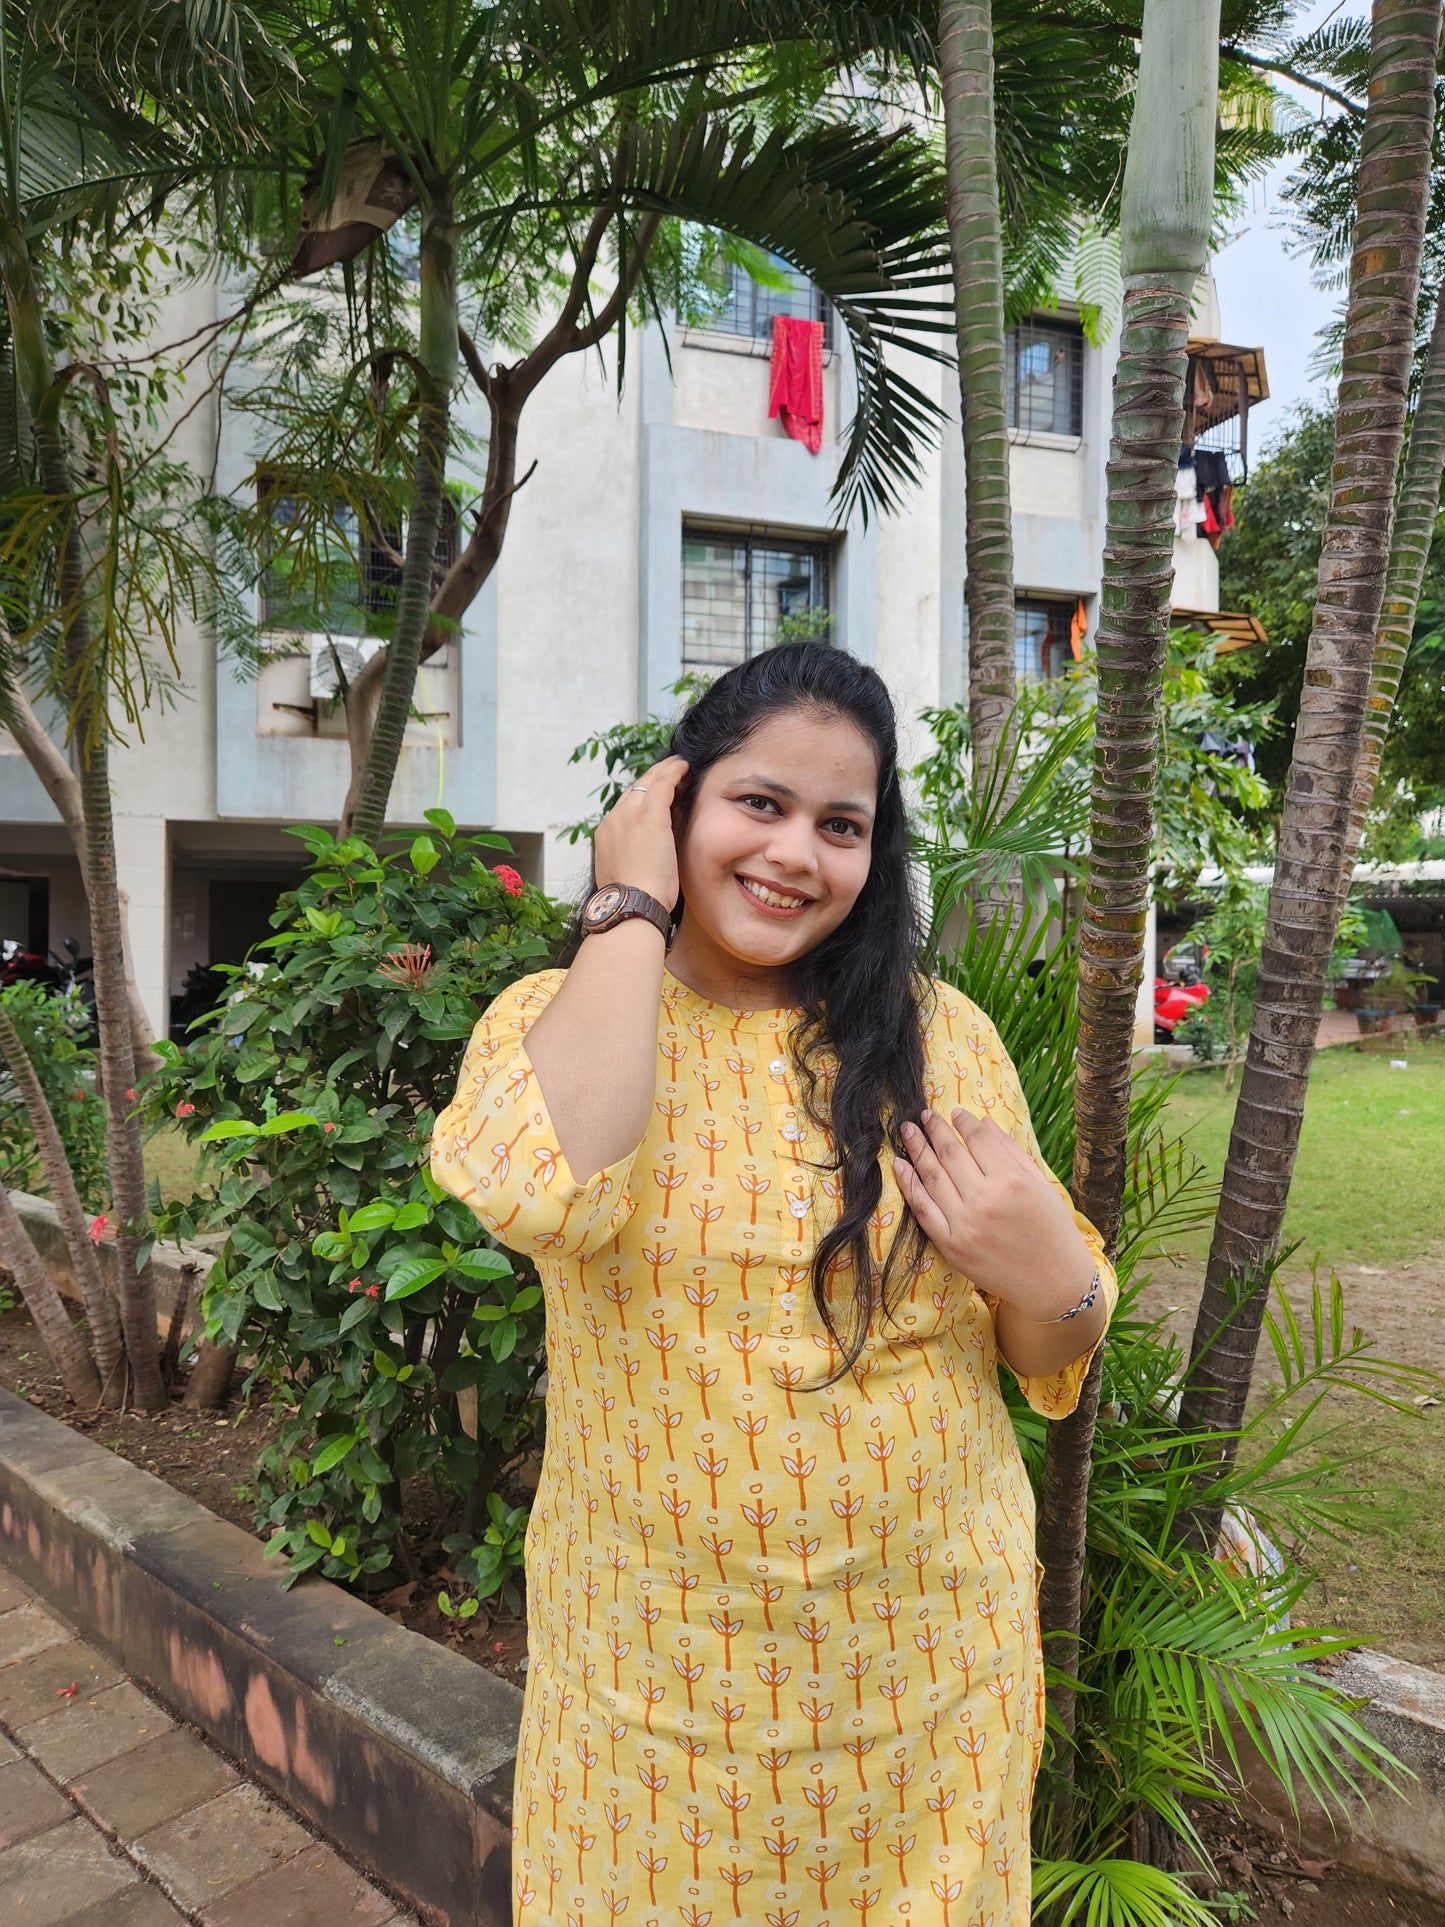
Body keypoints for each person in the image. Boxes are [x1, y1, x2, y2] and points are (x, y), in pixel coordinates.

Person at [431, 643, 1114, 1927]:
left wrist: (1058, 1273)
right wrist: (628, 907)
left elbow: (1045, 1354)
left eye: (841, 825)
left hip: (924, 1683)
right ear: (672, 802)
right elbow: (539, 1191)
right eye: (760, 803)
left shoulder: (937, 1038)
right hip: (659, 1697)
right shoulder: (558, 1015)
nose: (798, 855)